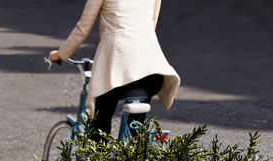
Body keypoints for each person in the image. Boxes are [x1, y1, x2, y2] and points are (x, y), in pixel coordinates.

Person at [48, 0, 180, 139]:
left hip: (117, 69)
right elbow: (151, 25)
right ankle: (135, 147)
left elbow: (83, 29)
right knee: (135, 133)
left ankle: (100, 150)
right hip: (151, 70)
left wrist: (60, 54)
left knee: (99, 126)